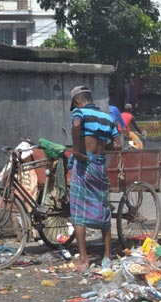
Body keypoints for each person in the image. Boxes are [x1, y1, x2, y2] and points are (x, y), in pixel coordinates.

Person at [68, 86, 122, 271]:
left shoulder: (79, 112)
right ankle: (107, 257)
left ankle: (84, 259)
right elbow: (118, 144)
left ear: (77, 101)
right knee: (103, 209)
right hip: (100, 166)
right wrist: (102, 146)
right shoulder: (108, 118)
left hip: (84, 164)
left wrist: (76, 150)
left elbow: (76, 125)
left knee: (78, 211)